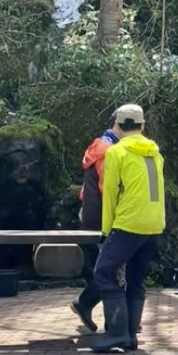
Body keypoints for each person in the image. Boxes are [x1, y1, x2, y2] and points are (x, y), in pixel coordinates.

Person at [89, 103, 166, 354]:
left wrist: (106, 231)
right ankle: (130, 336)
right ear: (143, 126)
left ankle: (117, 333)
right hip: (154, 226)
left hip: (129, 224)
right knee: (136, 278)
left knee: (103, 272)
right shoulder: (156, 153)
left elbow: (110, 195)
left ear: (118, 126)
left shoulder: (117, 152)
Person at [69, 111, 119, 332]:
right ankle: (113, 321)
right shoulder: (109, 152)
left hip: (90, 214)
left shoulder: (98, 145)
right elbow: (108, 189)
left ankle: (90, 307)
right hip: (101, 218)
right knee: (112, 270)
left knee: (107, 269)